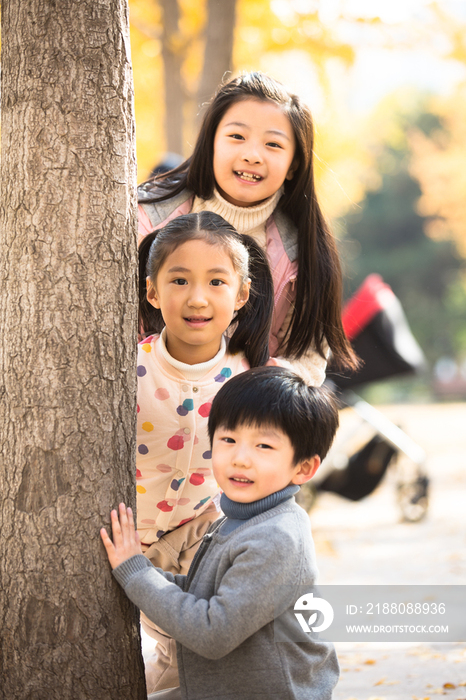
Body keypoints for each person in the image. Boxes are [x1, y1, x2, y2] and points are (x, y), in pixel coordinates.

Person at [101, 367, 340, 700]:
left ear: (303, 468)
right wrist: (137, 568)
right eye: (228, 440)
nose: (240, 459)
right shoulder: (240, 519)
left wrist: (136, 573)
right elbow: (203, 593)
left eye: (264, 446)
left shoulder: (276, 537)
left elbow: (213, 633)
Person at [137, 71, 358, 386]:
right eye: (237, 137)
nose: (252, 155)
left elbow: (307, 357)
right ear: (210, 141)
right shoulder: (147, 220)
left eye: (273, 144)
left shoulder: (303, 253)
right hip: (148, 406)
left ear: (295, 163)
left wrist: (249, 388)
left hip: (243, 422)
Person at [135, 211, 274, 692]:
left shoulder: (250, 377)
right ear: (153, 292)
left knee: (196, 646)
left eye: (216, 281)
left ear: (241, 294)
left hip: (200, 531)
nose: (197, 298)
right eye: (179, 280)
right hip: (123, 537)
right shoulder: (126, 368)